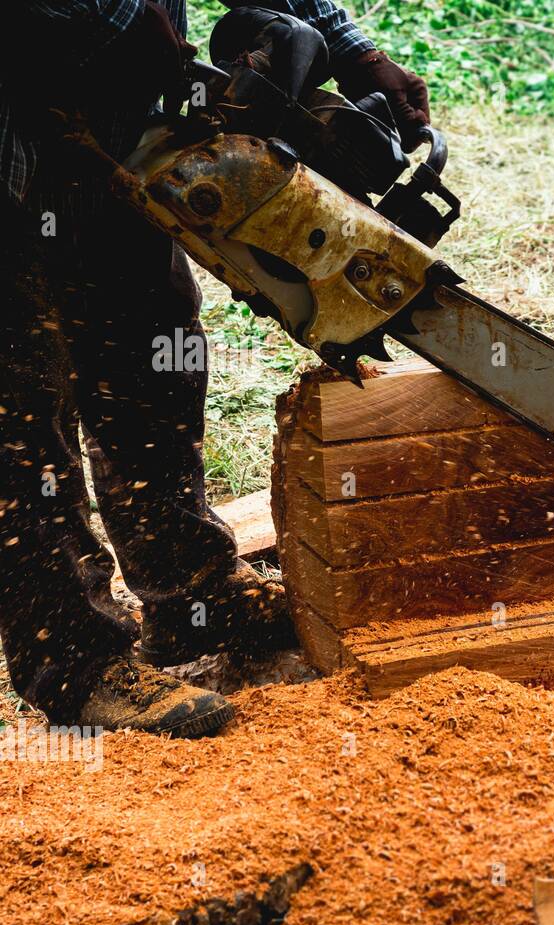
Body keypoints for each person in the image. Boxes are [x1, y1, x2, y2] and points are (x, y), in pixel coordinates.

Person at [0, 2, 431, 737]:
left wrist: (347, 48)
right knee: (20, 405)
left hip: (116, 125)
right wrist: (114, 18)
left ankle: (192, 596)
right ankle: (73, 662)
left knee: (153, 348)